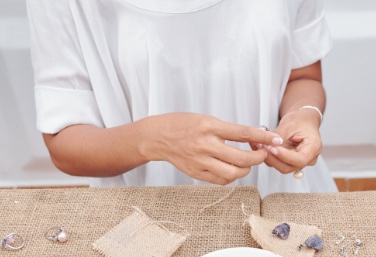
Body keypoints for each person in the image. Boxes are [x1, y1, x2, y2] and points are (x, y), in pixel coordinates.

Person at [26, 0, 337, 197]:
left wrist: (305, 115)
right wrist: (151, 139)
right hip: (145, 213)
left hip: (278, 195)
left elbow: (303, 76)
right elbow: (64, 143)